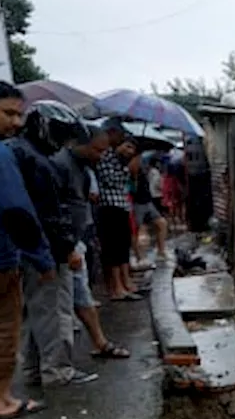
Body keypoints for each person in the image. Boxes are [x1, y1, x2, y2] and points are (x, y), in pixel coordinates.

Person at [0, 82, 54, 419]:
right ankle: (1, 400)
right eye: (9, 113)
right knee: (0, 327)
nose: (17, 122)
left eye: (20, 114)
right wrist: (43, 260)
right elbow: (17, 214)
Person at [8, 100, 99, 387]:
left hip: (25, 249)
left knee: (36, 312)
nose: (63, 144)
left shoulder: (17, 152)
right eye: (62, 136)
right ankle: (58, 370)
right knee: (55, 310)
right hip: (46, 250)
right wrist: (68, 248)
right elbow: (50, 215)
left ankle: (36, 370)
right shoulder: (38, 163)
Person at [52, 125, 131, 360]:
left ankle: (100, 343)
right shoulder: (61, 166)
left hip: (75, 240)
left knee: (81, 295)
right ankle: (56, 366)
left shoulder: (83, 168)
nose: (101, 156)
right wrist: (67, 246)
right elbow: (55, 210)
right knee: (59, 306)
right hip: (62, 245)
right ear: (80, 143)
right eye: (97, 150)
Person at [93, 119, 141, 301]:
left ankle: (125, 282)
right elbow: (112, 180)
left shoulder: (114, 156)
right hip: (109, 206)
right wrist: (127, 170)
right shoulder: (105, 155)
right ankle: (116, 287)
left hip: (120, 205)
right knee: (112, 249)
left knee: (122, 246)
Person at [132, 151, 169, 261]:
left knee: (162, 223)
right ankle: (139, 256)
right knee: (136, 231)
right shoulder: (129, 171)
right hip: (137, 203)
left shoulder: (144, 169)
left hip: (148, 201)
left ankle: (161, 251)